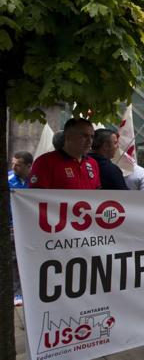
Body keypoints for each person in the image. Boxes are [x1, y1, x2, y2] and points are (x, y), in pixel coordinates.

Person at [29, 118, 100, 189]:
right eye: (85, 136)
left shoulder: (93, 163)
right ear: (68, 136)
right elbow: (36, 196)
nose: (90, 141)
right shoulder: (45, 162)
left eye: (92, 137)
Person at [8, 151, 33, 306]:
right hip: (12, 226)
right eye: (13, 163)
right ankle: (16, 293)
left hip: (29, 227)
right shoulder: (9, 180)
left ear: (28, 166)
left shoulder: (34, 180)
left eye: (18, 165)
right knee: (13, 260)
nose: (14, 167)